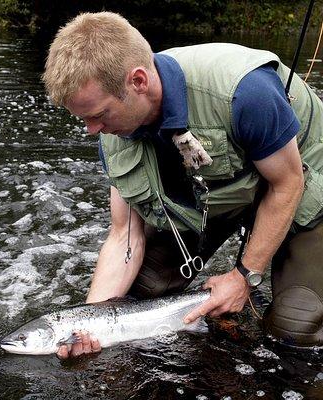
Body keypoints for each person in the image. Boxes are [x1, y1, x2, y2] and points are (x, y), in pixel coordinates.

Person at [42, 11, 323, 358]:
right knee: (143, 293)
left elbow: (287, 185)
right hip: (217, 190)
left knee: (296, 331)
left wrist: (243, 276)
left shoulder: (245, 93)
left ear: (139, 82)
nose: (92, 130)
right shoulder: (112, 132)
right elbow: (123, 235)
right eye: (84, 119)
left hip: (298, 176)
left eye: (98, 115)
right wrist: (88, 323)